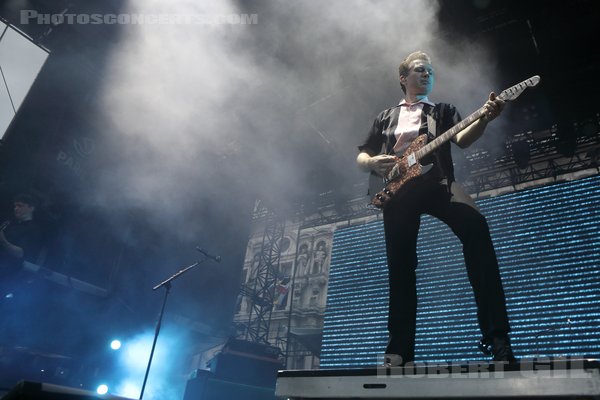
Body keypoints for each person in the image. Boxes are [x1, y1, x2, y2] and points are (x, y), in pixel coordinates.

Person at [356, 51, 515, 364]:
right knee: (401, 268)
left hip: (439, 183)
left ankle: (498, 339)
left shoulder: (442, 111)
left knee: (477, 229)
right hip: (397, 191)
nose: (427, 74)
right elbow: (363, 156)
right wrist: (372, 162)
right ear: (403, 78)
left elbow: (464, 139)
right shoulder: (385, 116)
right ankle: (399, 350)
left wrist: (486, 117)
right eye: (419, 69)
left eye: (430, 70)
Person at [0, 193, 44, 279]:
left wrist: (3, 240)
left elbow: (20, 253)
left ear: (31, 208)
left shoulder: (34, 230)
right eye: (15, 206)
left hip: (9, 273)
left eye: (20, 206)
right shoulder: (9, 222)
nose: (16, 209)